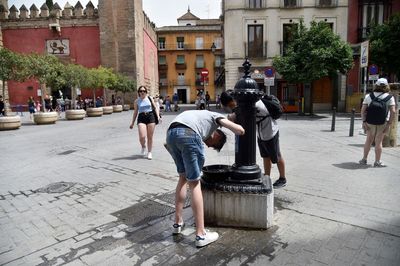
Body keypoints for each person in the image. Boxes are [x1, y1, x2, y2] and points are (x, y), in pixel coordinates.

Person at [165, 110, 245, 247]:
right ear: (217, 135)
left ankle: (177, 223)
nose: (208, 145)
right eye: (213, 144)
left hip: (171, 133)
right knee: (195, 183)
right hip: (188, 133)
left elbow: (168, 142)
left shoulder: (199, 117)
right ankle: (201, 235)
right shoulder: (214, 117)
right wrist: (241, 129)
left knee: (182, 178)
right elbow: (238, 130)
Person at [221, 91, 287, 189]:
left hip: (270, 131)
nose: (231, 107)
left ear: (234, 99)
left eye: (231, 104)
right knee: (265, 156)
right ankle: (267, 177)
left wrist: (233, 117)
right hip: (261, 133)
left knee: (276, 155)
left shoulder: (253, 103)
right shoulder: (245, 103)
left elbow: (243, 116)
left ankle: (282, 178)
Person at [359, 78, 395, 167]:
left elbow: (362, 111)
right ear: (386, 86)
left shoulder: (369, 96)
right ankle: (377, 161)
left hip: (369, 121)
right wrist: (389, 124)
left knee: (368, 140)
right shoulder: (390, 97)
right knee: (379, 142)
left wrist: (364, 121)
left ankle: (364, 159)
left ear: (376, 85)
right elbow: (393, 112)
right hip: (382, 122)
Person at [129, 86, 160, 160]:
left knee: (150, 137)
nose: (142, 92)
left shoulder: (150, 98)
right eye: (141, 91)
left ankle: (149, 152)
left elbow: (155, 107)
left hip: (150, 116)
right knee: (142, 136)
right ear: (139, 92)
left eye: (144, 91)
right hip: (141, 117)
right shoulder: (137, 101)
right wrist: (132, 123)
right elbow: (135, 112)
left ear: (146, 92)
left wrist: (158, 116)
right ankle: (143, 146)